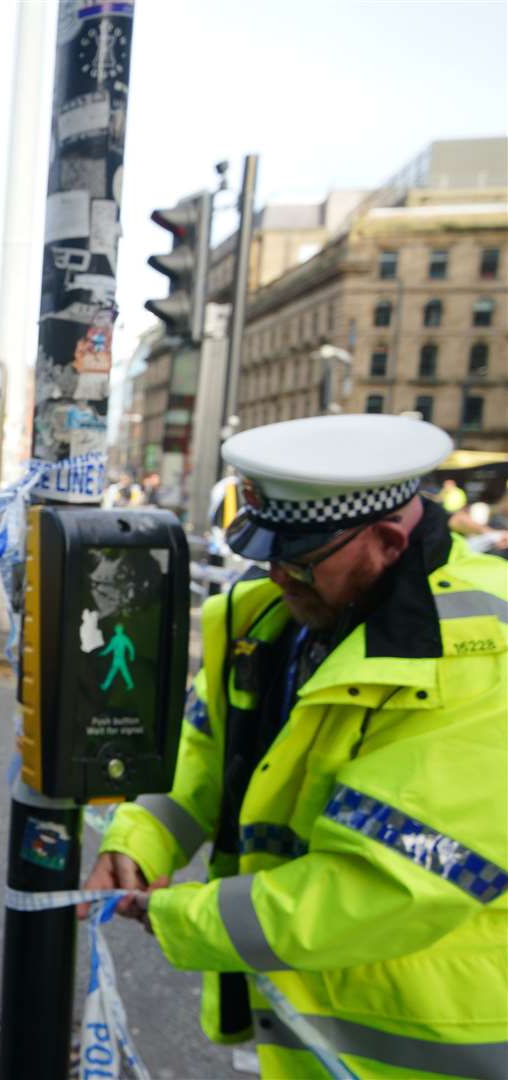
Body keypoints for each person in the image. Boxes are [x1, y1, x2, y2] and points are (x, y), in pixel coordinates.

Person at [82, 413, 507, 1079]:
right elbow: (205, 749)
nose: (278, 576)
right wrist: (139, 836)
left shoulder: (487, 656)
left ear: (390, 539)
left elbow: (386, 886)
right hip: (304, 1032)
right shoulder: (266, 615)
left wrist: (182, 917)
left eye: (301, 560)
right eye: (269, 554)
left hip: (433, 1049)